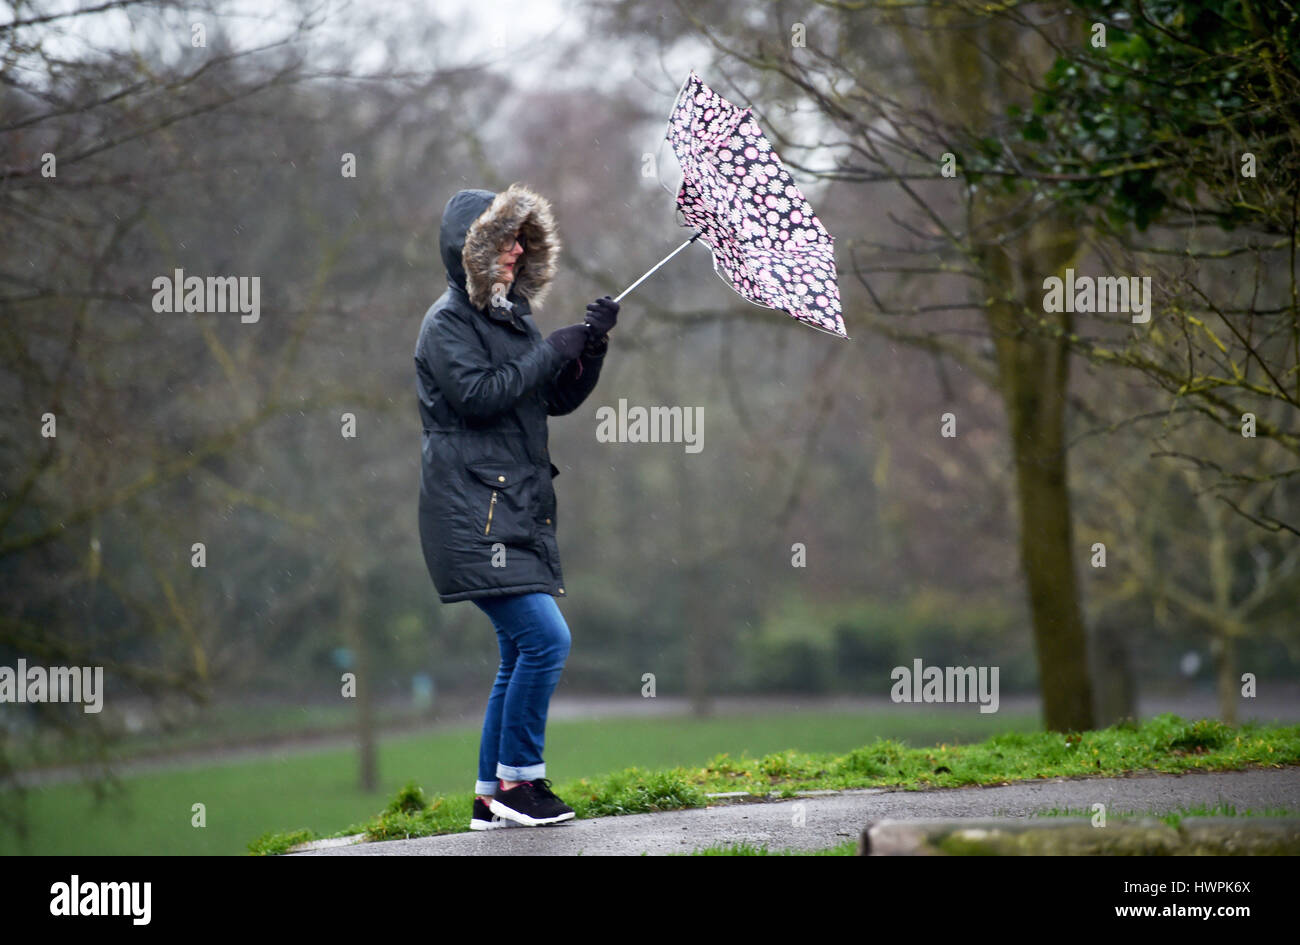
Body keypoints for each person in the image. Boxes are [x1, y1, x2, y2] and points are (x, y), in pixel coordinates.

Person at [414, 182, 618, 829]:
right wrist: (545, 353)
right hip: (470, 515)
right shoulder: (445, 324)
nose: (517, 250)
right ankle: (520, 783)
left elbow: (547, 397)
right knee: (547, 638)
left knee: (520, 648)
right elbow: (479, 394)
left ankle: (487, 795)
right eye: (505, 240)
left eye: (522, 239)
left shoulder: (512, 316)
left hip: (509, 508)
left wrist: (588, 349)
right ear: (471, 249)